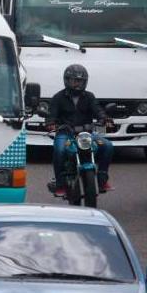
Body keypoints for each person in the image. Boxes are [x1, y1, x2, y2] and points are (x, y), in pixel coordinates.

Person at [46, 64, 114, 195]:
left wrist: (105, 119)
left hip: (86, 134)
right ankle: (60, 184)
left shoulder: (89, 96)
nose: (77, 84)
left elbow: (98, 110)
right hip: (65, 133)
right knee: (59, 150)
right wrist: (50, 123)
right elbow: (51, 115)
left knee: (108, 145)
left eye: (80, 81)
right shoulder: (58, 97)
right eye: (74, 80)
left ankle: (102, 179)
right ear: (67, 80)